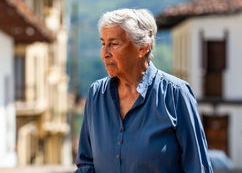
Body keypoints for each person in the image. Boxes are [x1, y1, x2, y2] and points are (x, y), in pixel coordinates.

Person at [75, 9, 213, 173]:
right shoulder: (97, 94)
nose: (105, 53)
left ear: (142, 48)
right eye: (103, 43)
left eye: (114, 44)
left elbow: (197, 167)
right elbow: (86, 164)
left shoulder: (176, 94)